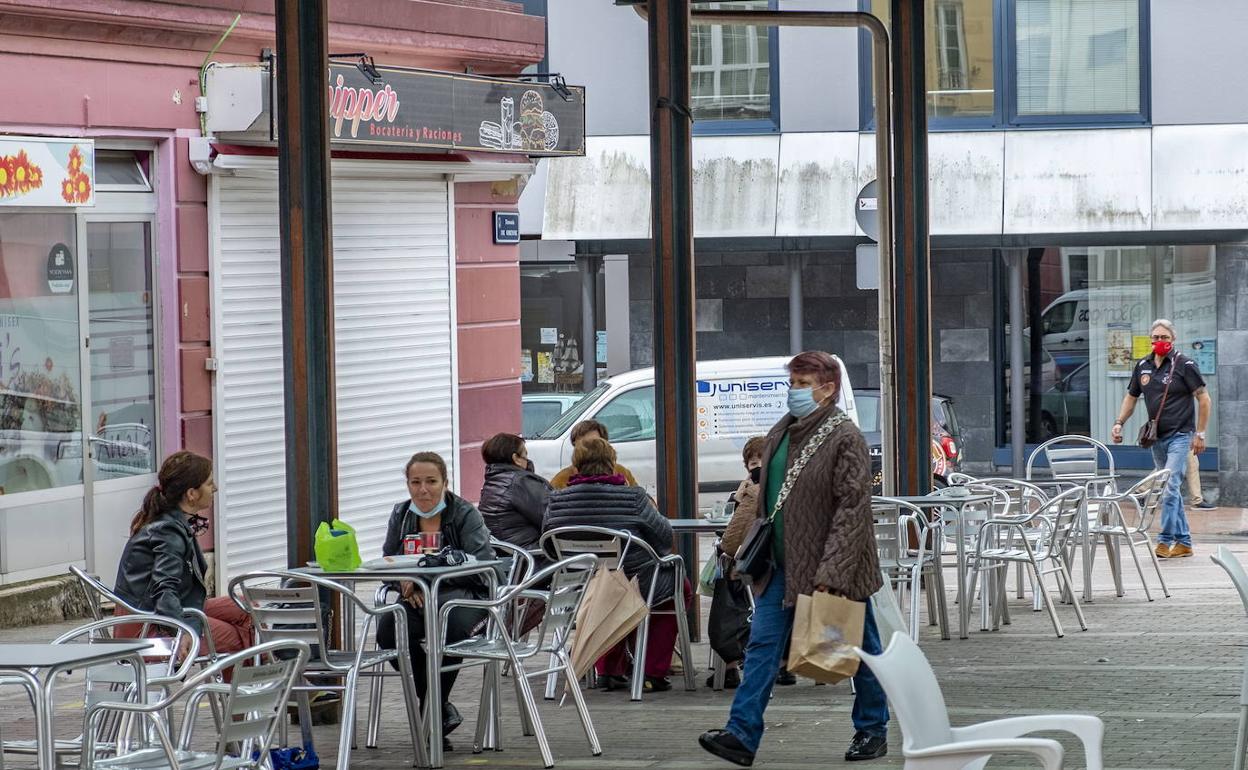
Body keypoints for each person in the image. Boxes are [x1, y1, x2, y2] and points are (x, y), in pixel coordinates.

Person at [701, 351, 889, 766]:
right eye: (793, 383)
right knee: (763, 646)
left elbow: (852, 509)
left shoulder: (845, 437)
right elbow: (765, 500)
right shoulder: (781, 433)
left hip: (835, 569)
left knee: (859, 648)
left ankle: (873, 729)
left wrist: (833, 574)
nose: (795, 392)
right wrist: (739, 548)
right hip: (781, 565)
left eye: (803, 384)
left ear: (828, 388)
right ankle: (742, 734)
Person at [542, 437, 685, 692]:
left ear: (576, 466)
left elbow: (549, 544)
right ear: (612, 464)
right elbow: (664, 537)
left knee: (608, 592)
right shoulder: (633, 497)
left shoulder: (557, 500)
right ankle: (651, 670)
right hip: (634, 580)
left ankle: (608, 669)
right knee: (675, 587)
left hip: (581, 586)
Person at [376, 451, 497, 751]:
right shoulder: (401, 515)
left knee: (448, 629)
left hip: (466, 598)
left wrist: (435, 579)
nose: (423, 489)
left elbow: (484, 565)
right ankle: (436, 708)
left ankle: (430, 713)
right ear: (407, 484)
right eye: (416, 482)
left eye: (431, 481)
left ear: (445, 482)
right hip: (416, 598)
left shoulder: (465, 514)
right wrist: (402, 581)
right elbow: (388, 562)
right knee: (389, 631)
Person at [113, 450, 253, 656]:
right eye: (208, 483)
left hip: (154, 614)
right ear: (191, 494)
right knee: (238, 637)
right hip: (149, 628)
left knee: (249, 607)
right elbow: (164, 589)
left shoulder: (167, 522)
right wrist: (183, 630)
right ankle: (241, 686)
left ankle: (248, 681)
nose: (214, 488)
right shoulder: (167, 531)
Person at [1111, 319, 1212, 558]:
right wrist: (1118, 422)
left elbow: (1204, 399)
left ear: (1173, 340)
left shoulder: (1185, 364)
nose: (1159, 342)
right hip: (1156, 438)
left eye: (1164, 338)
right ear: (1150, 339)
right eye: (1155, 337)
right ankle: (1184, 542)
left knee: (1168, 487)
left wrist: (1200, 434)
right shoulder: (1143, 366)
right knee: (1170, 489)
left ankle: (1165, 540)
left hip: (1180, 435)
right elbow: (1131, 397)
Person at [710, 436, 768, 690]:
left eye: (758, 460)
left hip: (759, 571)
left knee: (726, 576)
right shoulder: (786, 485)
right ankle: (784, 662)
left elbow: (731, 542)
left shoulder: (752, 490)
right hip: (789, 569)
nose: (755, 465)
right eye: (751, 461)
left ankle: (731, 661)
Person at [478, 432, 552, 552]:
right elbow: (552, 516)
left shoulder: (493, 482)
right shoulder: (519, 482)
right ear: (516, 458)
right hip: (533, 556)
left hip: (508, 555)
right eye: (525, 455)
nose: (527, 460)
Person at [549, 419, 638, 489]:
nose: (589, 449)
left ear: (605, 444)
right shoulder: (561, 479)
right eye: (582, 444)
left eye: (594, 443)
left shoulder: (622, 473)